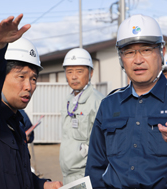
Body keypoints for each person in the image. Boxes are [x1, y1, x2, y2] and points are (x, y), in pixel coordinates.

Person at [0, 14, 63, 189]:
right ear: (0, 77)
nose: (29, 86)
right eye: (21, 77)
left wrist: (42, 185)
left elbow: (16, 175)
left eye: (33, 79)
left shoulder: (16, 122)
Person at [85, 14, 167, 188]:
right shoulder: (108, 105)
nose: (138, 60)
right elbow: (95, 167)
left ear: (162, 52)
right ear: (121, 58)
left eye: (146, 50)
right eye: (129, 52)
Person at [59, 48, 104, 185]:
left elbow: (103, 144)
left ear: (90, 73)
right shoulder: (69, 99)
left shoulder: (98, 102)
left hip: (84, 174)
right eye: (69, 71)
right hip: (67, 173)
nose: (73, 76)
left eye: (79, 71)